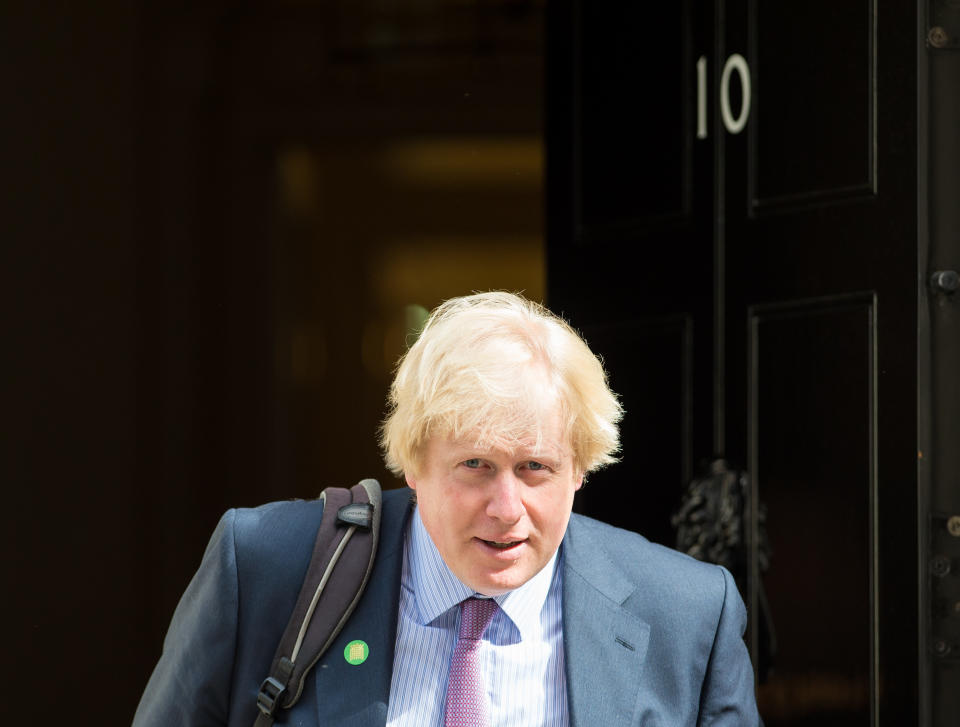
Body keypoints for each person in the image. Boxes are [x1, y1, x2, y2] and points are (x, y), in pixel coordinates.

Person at [134, 291, 760, 726]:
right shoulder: (265, 567)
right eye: (476, 466)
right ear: (414, 463)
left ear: (579, 468)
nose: (506, 507)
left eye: (535, 468)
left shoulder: (689, 618)